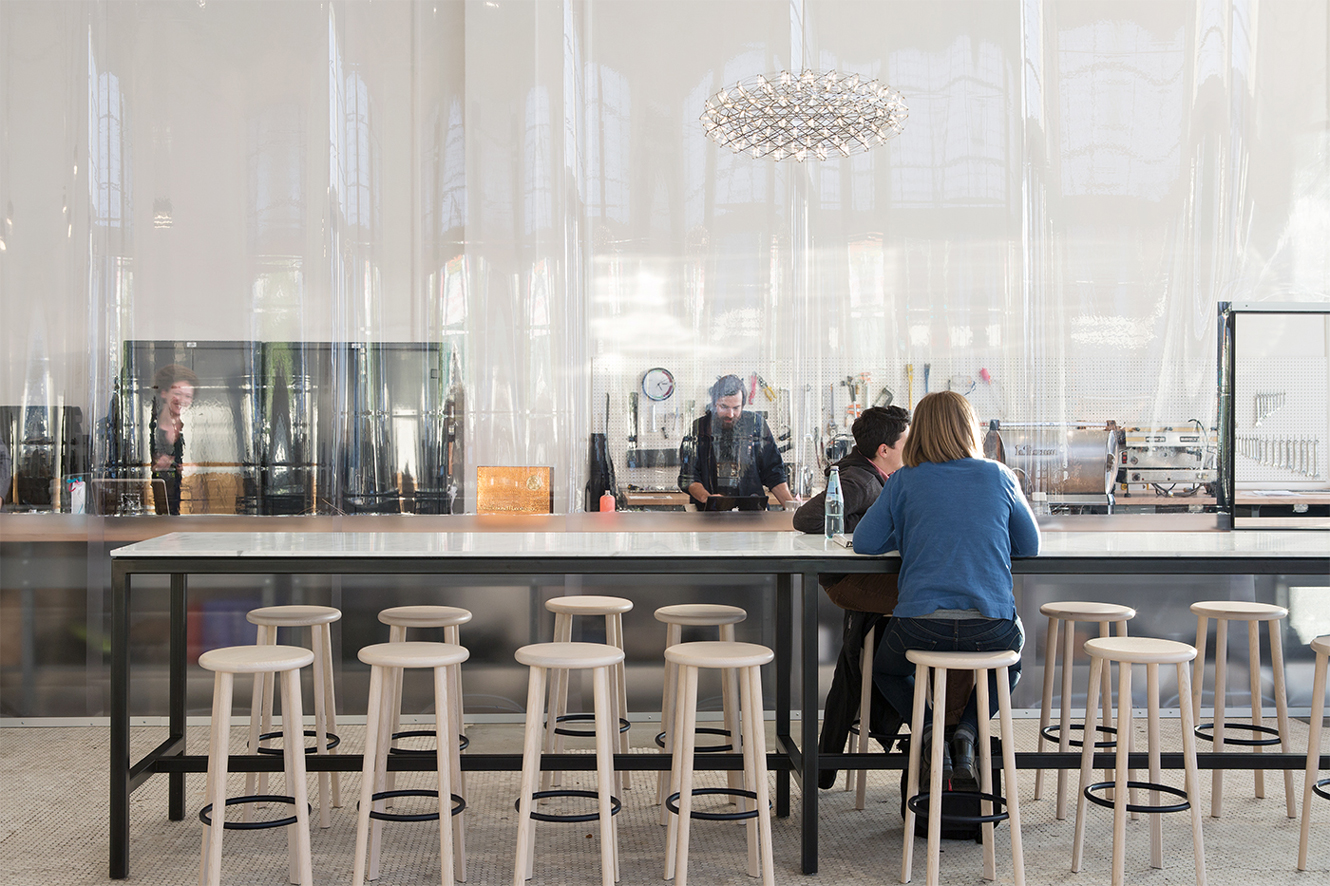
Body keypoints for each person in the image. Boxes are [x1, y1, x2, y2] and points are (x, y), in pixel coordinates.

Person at [853, 390, 1040, 783]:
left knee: (886, 670)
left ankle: (929, 731)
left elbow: (865, 542)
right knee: (1011, 665)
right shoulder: (1000, 476)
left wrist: (910, 531)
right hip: (991, 626)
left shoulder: (903, 480)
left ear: (919, 431)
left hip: (920, 624)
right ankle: (967, 733)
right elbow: (1029, 546)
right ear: (970, 429)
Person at [792, 405, 910, 787]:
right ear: (884, 450)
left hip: (864, 580)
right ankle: (912, 721)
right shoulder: (861, 479)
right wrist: (861, 525)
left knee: (855, 653)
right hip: (849, 581)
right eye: (906, 442)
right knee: (924, 602)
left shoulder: (874, 474)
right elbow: (805, 519)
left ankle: (828, 762)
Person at [677, 374, 793, 508]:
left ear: (743, 405)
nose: (730, 414)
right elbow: (688, 476)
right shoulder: (700, 428)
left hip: (752, 511)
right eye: (724, 407)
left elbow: (774, 472)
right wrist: (707, 498)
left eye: (736, 408)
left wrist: (792, 507)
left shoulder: (756, 424)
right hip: (708, 512)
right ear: (714, 403)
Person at [150, 364, 198, 515]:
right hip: (152, 506)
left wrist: (192, 468)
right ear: (164, 393)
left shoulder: (193, 429)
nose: (182, 400)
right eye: (177, 393)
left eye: (188, 396)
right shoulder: (149, 428)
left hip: (186, 504)